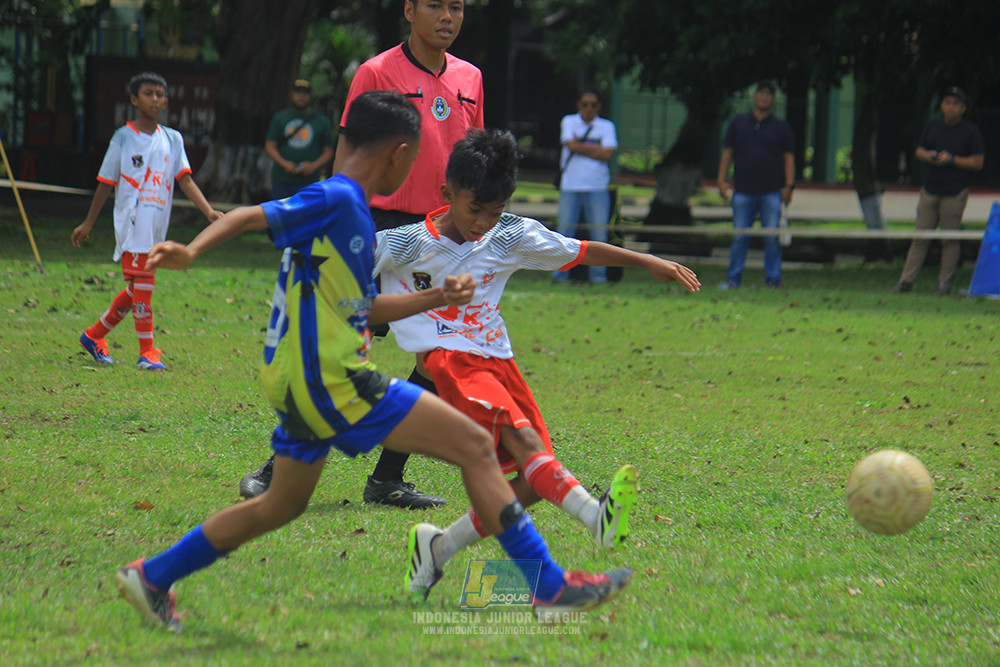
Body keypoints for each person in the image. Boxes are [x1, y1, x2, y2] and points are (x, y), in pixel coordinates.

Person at [114, 91, 630, 630]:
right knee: (477, 448)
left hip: (298, 379)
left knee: (280, 506)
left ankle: (152, 575)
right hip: (330, 379)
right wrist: (193, 250)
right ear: (399, 154)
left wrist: (436, 297)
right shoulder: (339, 199)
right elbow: (250, 215)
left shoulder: (351, 214)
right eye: (415, 158)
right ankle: (549, 587)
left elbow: (359, 307)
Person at [372, 129, 701, 600]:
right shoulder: (402, 244)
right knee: (526, 445)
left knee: (532, 478)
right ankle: (596, 516)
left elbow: (578, 250)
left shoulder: (509, 234)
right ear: (447, 193)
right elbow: (342, 273)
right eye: (475, 209)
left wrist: (646, 260)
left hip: (499, 362)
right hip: (451, 362)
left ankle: (437, 550)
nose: (484, 222)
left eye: (495, 211)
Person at [240, 0, 484, 509]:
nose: (447, 16)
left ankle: (387, 478)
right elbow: (350, 154)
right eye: (435, 5)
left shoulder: (471, 78)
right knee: (341, 348)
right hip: (379, 226)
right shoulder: (376, 71)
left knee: (439, 355)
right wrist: (339, 219)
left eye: (456, 7)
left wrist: (473, 225)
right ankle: (277, 467)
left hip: (442, 233)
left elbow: (473, 161)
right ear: (409, 10)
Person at [71, 72, 222, 371]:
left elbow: (185, 180)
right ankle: (147, 353)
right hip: (132, 224)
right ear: (134, 99)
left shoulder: (173, 139)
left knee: (136, 290)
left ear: (166, 101)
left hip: (156, 227)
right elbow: (105, 182)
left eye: (160, 94)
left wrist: (209, 212)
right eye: (148, 93)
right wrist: (88, 223)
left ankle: (94, 335)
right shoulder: (123, 137)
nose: (155, 99)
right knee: (144, 285)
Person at [894, 86, 985, 295]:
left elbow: (978, 162)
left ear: (963, 108)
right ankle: (906, 282)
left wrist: (952, 160)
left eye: (955, 104)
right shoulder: (932, 126)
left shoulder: (971, 131)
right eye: (947, 103)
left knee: (950, 239)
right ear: (941, 106)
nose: (950, 107)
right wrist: (929, 156)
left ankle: (944, 285)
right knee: (920, 236)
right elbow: (919, 150)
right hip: (930, 190)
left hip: (954, 192)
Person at [716, 80, 795, 290]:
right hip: (743, 190)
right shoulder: (738, 123)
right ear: (754, 96)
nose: (764, 97)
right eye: (761, 92)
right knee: (740, 236)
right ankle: (733, 280)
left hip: (771, 191)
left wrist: (789, 186)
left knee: (772, 237)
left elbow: (789, 158)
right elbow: (728, 153)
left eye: (769, 94)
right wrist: (722, 180)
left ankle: (773, 280)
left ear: (774, 99)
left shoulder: (781, 128)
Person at [552, 86, 619, 284]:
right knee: (565, 234)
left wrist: (580, 147)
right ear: (578, 105)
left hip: (597, 187)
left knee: (599, 235)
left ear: (599, 106)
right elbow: (571, 145)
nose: (589, 108)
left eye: (593, 105)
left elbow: (607, 154)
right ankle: (560, 276)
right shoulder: (569, 121)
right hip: (570, 186)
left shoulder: (607, 126)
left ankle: (599, 277)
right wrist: (595, 149)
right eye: (585, 104)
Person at [264, 79, 336, 200]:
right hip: (282, 179)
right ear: (291, 94)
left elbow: (329, 150)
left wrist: (314, 166)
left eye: (305, 93)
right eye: (298, 92)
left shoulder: (322, 121)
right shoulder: (280, 117)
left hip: (310, 180)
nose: (301, 97)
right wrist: (284, 164)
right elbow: (270, 145)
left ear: (311, 95)